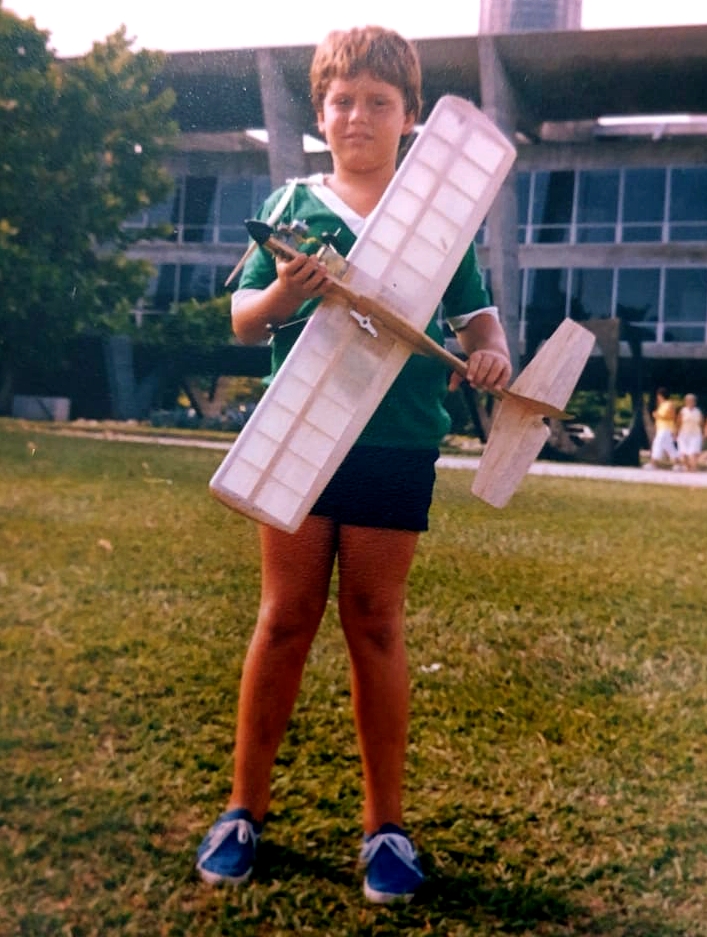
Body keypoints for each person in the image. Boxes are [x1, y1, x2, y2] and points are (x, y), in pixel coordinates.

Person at [195, 25, 511, 904]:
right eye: (342, 101)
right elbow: (243, 321)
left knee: (375, 622)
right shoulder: (294, 206)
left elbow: (478, 320)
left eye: (379, 102)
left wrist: (492, 356)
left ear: (410, 117)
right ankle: (243, 809)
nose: (359, 116)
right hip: (300, 439)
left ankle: (384, 826)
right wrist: (283, 291)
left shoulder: (439, 219)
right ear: (321, 112)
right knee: (285, 618)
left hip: (399, 441)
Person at [644, 387, 678, 469]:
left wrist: (658, 415)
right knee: (669, 447)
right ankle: (678, 464)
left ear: (660, 395)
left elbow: (671, 416)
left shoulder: (669, 404)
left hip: (666, 429)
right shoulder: (661, 405)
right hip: (661, 429)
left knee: (657, 444)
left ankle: (653, 464)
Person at [675, 393, 704, 471]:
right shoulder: (683, 411)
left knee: (693, 453)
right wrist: (676, 433)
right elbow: (678, 423)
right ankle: (688, 468)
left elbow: (701, 424)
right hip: (684, 434)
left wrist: (703, 434)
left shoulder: (698, 412)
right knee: (683, 453)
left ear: (695, 402)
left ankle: (693, 469)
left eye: (692, 401)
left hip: (695, 435)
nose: (690, 402)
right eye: (688, 400)